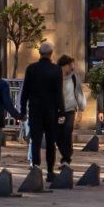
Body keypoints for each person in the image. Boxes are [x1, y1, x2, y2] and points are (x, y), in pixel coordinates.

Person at [20, 41, 65, 176]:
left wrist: (23, 109)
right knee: (51, 142)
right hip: (50, 110)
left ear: (40, 53)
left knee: (36, 141)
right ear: (51, 54)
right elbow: (59, 92)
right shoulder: (56, 70)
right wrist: (61, 111)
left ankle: (36, 168)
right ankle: (50, 171)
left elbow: (25, 91)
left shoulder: (31, 69)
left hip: (35, 109)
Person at [56, 54, 86, 170]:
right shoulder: (55, 77)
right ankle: (65, 155)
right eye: (70, 65)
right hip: (57, 110)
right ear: (64, 65)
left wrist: (81, 108)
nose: (72, 68)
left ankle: (66, 159)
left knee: (67, 133)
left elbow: (78, 92)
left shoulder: (74, 77)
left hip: (69, 110)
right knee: (58, 135)